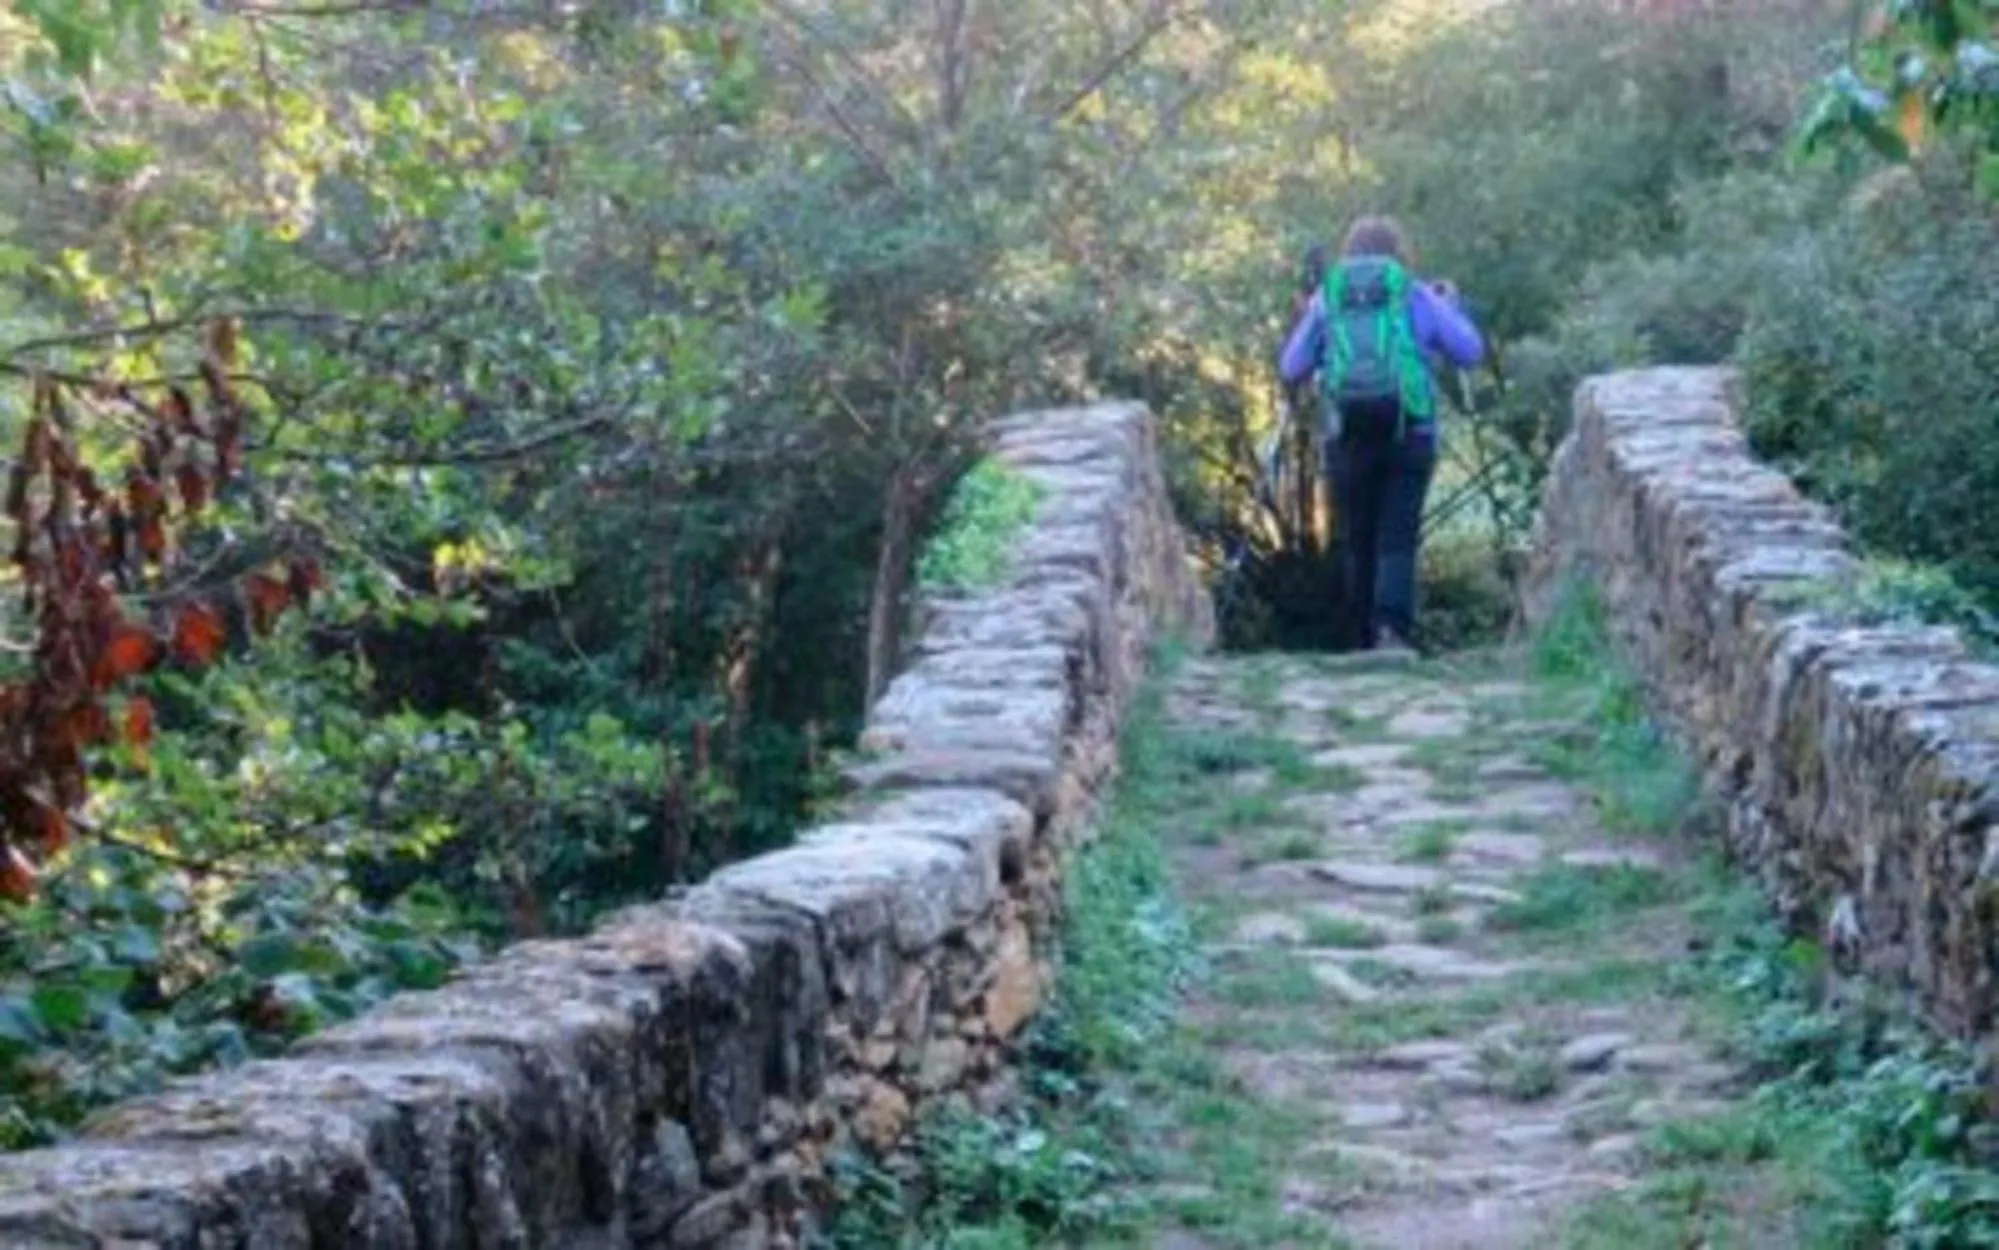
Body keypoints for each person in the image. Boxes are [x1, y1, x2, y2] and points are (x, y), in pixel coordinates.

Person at [1277, 216, 1484, 653]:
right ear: (1399, 254)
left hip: (1345, 432)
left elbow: (1292, 366)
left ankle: (1360, 637)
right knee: (1397, 531)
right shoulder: (1415, 293)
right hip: (1410, 429)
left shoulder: (1329, 300)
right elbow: (1469, 350)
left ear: (1348, 253)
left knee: (1357, 534)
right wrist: (1453, 306)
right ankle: (1391, 632)